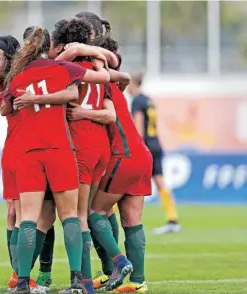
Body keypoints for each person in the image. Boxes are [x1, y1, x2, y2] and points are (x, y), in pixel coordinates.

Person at [5, 25, 111, 294]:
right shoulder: (62, 69)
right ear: (50, 47)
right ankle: (76, 281)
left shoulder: (16, 77)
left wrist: (27, 98)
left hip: (28, 153)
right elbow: (101, 81)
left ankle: (22, 283)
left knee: (27, 218)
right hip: (60, 151)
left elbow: (6, 107)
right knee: (70, 217)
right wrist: (97, 55)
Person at [46, 17, 118, 294]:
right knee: (90, 211)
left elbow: (58, 63)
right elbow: (111, 68)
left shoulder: (68, 67)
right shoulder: (100, 65)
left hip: (81, 144)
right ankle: (112, 263)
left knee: (78, 216)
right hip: (101, 146)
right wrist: (98, 54)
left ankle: (86, 281)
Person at [87, 34, 151, 293]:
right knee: (132, 220)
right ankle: (138, 283)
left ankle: (118, 263)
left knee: (91, 212)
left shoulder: (100, 86)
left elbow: (107, 115)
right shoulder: (116, 85)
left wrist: (80, 113)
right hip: (142, 155)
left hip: (122, 156)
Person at [129, 71, 181, 235]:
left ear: (133, 84)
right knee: (160, 182)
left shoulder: (137, 101)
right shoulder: (149, 100)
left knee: (125, 182)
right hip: (156, 144)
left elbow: (138, 126)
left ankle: (103, 221)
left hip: (145, 146)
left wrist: (136, 147)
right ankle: (172, 219)